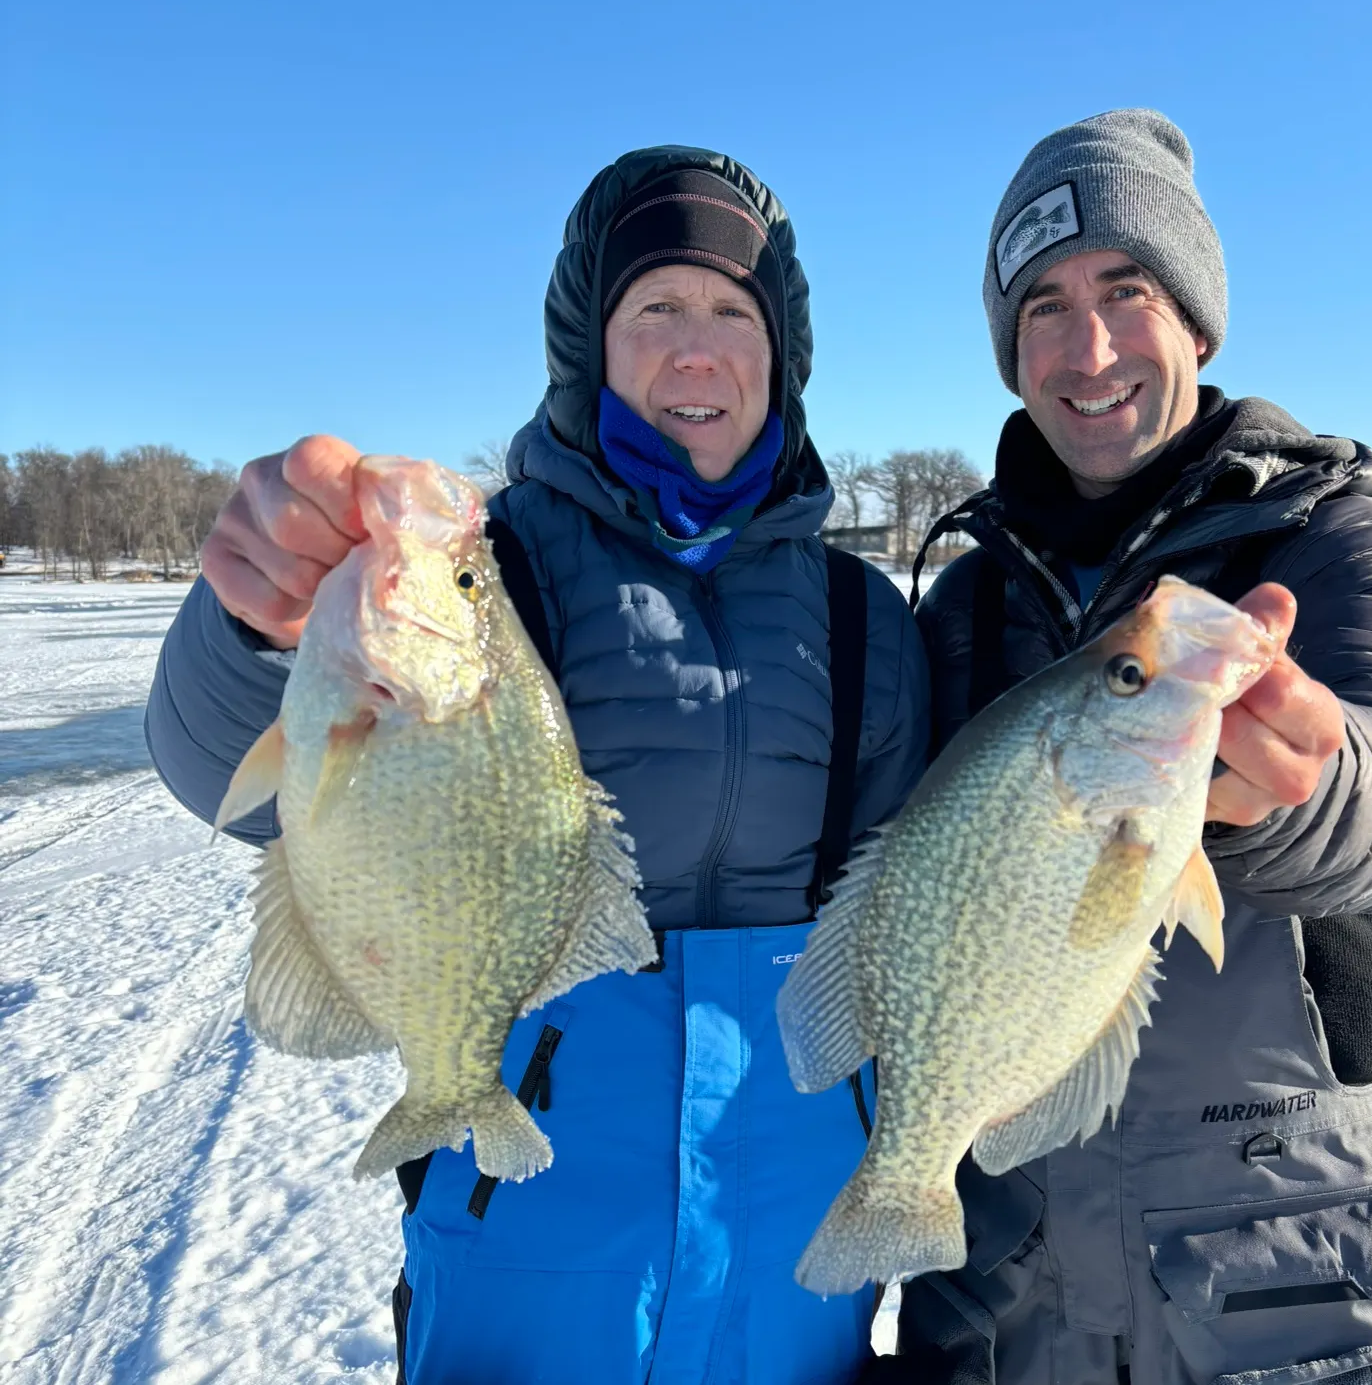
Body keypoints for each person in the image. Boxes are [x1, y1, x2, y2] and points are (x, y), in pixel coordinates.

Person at [145, 146, 929, 1384]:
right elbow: (213, 773)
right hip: (533, 1207)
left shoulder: (862, 615)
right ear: (588, 345)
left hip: (792, 1229)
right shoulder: (480, 571)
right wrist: (259, 624)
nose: (697, 349)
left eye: (734, 311)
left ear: (782, 355)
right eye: (655, 307)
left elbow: (899, 916)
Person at [882, 110, 1372, 1383]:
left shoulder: (1334, 540)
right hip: (1003, 1305)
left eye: (1127, 289)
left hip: (1288, 1288)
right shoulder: (961, 606)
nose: (1087, 347)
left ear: (1198, 322)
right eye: (1042, 304)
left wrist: (1309, 794)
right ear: (1008, 350)